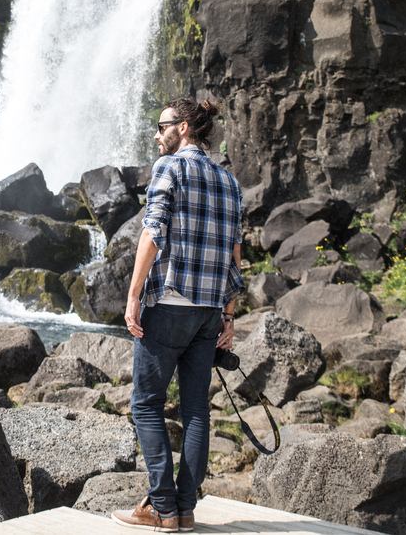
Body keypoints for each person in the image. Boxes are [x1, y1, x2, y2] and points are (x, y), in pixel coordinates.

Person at [111, 97, 244, 533]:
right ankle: (185, 510)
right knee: (196, 411)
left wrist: (132, 298)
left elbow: (152, 232)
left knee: (146, 405)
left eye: (162, 125)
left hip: (168, 306)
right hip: (208, 312)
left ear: (183, 127)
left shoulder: (170, 168)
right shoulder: (229, 180)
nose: (156, 133)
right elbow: (234, 251)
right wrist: (228, 313)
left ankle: (162, 510)